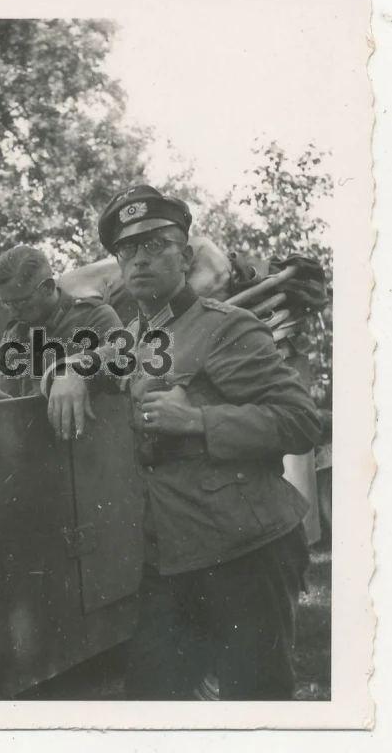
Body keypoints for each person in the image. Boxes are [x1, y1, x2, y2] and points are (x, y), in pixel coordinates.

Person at [41, 184, 321, 700]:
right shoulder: (135, 337)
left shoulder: (228, 327)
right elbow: (101, 358)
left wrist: (198, 421)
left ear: (185, 255)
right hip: (174, 557)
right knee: (151, 700)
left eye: (155, 245)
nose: (139, 260)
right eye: (127, 250)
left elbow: (301, 422)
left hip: (247, 551)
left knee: (254, 705)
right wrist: (69, 368)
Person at [0, 245, 122, 398]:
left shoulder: (94, 317)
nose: (12, 313)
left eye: (20, 302)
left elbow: (120, 370)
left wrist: (73, 369)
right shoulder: (13, 333)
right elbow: (8, 398)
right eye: (7, 304)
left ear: (48, 287)